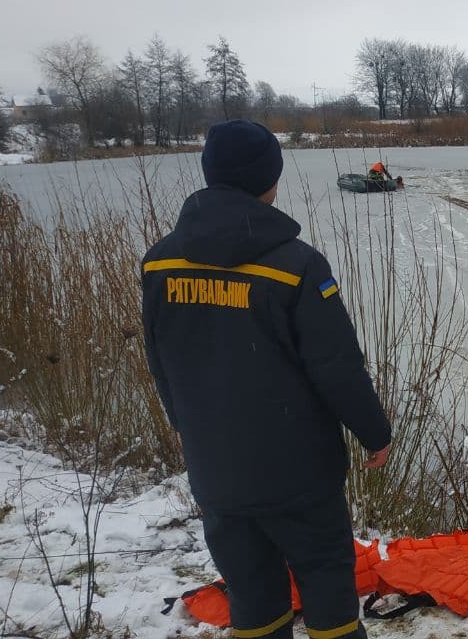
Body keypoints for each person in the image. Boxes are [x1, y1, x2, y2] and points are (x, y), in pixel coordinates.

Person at [141, 120, 392, 639]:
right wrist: (375, 433)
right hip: (298, 474)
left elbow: (161, 360)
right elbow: (337, 366)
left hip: (217, 474)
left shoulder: (160, 263)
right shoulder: (296, 266)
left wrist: (183, 425)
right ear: (270, 179)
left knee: (253, 598)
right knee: (327, 590)